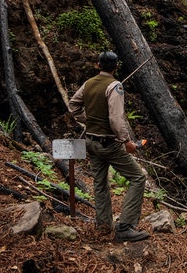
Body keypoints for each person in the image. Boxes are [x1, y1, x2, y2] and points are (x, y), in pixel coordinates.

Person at [68, 51, 149, 242]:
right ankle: (125, 227)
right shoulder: (115, 86)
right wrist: (126, 142)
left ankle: (103, 224)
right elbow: (116, 120)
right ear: (116, 67)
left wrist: (89, 120)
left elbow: (73, 106)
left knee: (100, 182)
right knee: (138, 177)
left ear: (98, 65)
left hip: (91, 142)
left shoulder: (88, 83)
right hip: (109, 144)